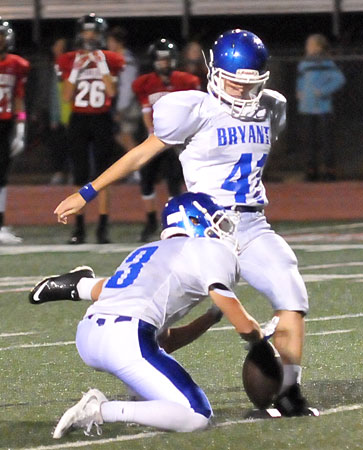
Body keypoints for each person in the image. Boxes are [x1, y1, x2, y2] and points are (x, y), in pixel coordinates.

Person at [54, 29, 319, 417]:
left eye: (252, 85)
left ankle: (289, 390)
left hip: (251, 224)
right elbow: (139, 155)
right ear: (214, 72)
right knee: (158, 304)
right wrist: (87, 193)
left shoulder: (272, 106)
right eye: (235, 83)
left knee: (291, 294)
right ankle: (90, 298)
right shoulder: (193, 108)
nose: (244, 94)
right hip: (203, 225)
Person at [31, 192, 273, 438]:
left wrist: (210, 317)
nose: (222, 230)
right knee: (197, 415)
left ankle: (80, 286)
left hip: (90, 336)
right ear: (195, 221)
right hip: (125, 339)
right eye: (217, 222)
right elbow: (245, 328)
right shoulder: (209, 249)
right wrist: (261, 343)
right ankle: (100, 409)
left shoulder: (146, 251)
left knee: (153, 358)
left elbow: (164, 342)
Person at [56, 13, 125, 244]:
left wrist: (101, 65)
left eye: (93, 32)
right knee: (80, 173)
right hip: (79, 119)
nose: (89, 36)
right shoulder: (67, 60)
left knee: (103, 175)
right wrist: (77, 69)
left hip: (102, 119)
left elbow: (112, 92)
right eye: (86, 32)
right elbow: (66, 96)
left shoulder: (111, 59)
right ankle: (79, 228)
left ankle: (103, 228)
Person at [132, 38, 201, 242]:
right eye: (161, 60)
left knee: (174, 182)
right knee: (146, 181)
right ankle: (151, 221)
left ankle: (175, 222)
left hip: (179, 140)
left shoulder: (186, 81)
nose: (164, 63)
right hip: (155, 138)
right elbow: (146, 113)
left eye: (167, 59)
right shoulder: (145, 83)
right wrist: (155, 135)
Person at [296, 33, 345, 181]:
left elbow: (339, 79)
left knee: (326, 141)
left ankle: (329, 170)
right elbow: (300, 79)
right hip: (306, 108)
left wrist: (323, 91)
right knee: (309, 141)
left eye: (310, 45)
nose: (307, 48)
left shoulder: (326, 62)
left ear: (318, 46)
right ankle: (311, 170)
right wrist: (300, 92)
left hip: (323, 108)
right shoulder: (304, 63)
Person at [0, 18, 29, 244]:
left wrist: (20, 126)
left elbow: (18, 96)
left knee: (1, 176)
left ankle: (0, 225)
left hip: (4, 123)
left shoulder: (17, 64)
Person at [106, 26, 141, 156]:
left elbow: (128, 86)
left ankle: (139, 171)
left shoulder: (126, 61)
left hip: (128, 107)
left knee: (127, 138)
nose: (108, 44)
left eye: (110, 41)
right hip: (122, 106)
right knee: (120, 136)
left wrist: (121, 109)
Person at [48, 37, 72, 185]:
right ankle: (59, 172)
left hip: (71, 113)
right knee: (57, 145)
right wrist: (53, 117)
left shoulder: (69, 66)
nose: (57, 48)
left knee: (72, 146)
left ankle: (72, 173)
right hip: (58, 114)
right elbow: (53, 94)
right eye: (57, 45)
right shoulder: (53, 67)